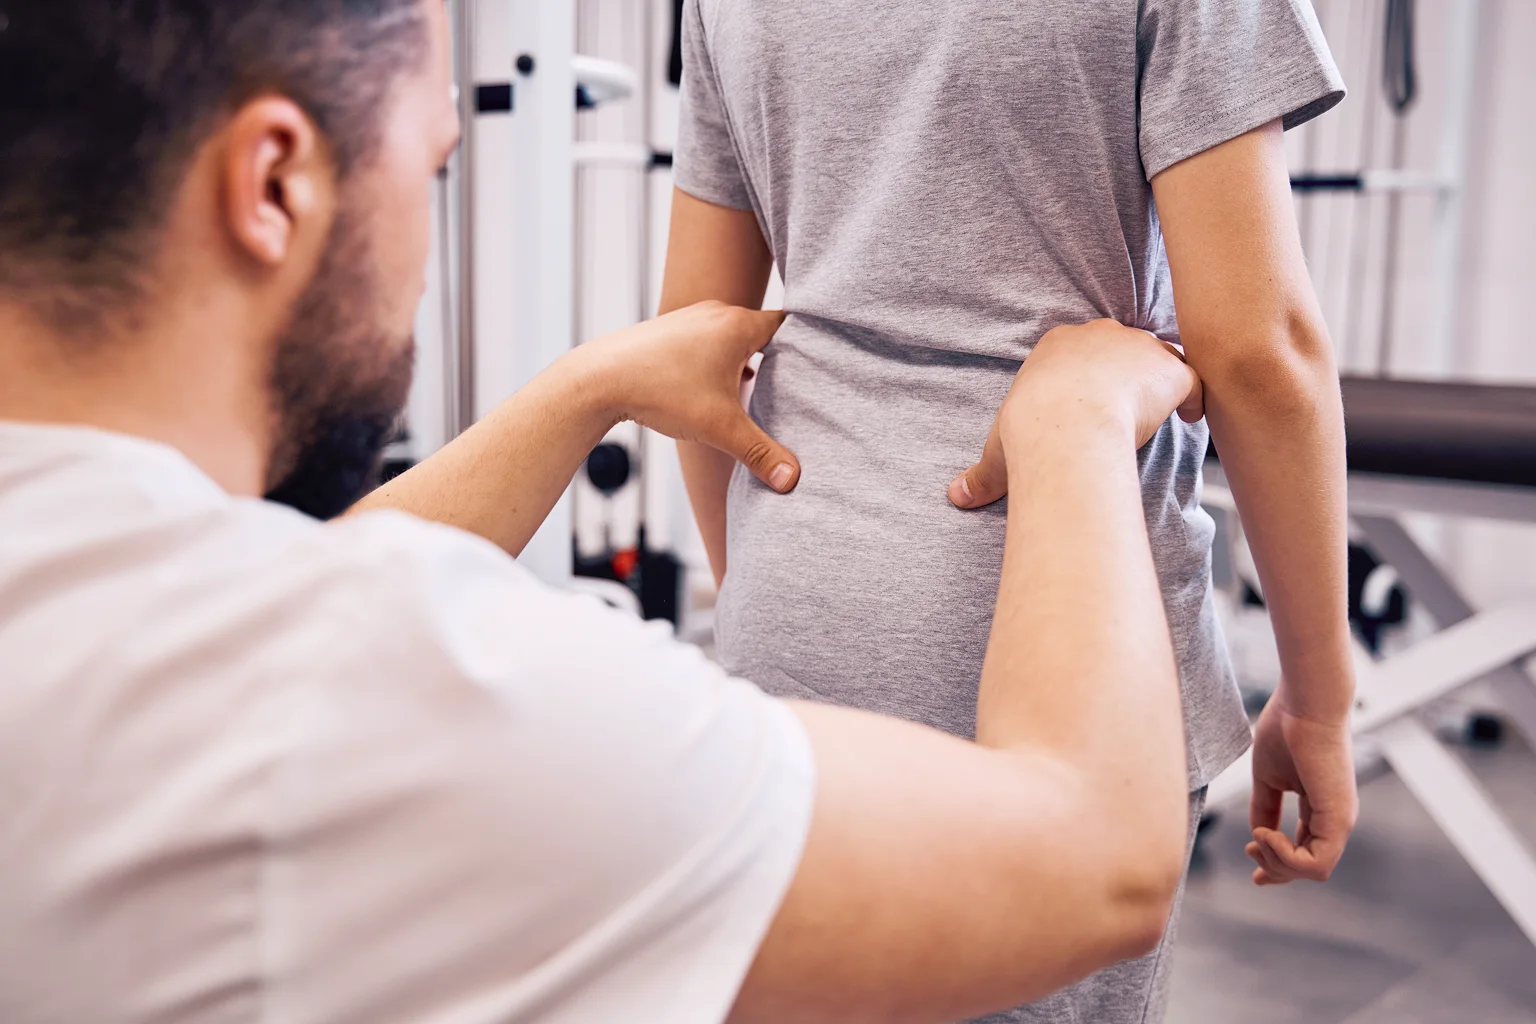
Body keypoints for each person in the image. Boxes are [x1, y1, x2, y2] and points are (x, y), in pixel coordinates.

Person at [1, 2, 1210, 1022]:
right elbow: (1098, 864)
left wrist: (590, 384)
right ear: (274, 183)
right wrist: (1079, 426)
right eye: (432, 168)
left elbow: (250, 610)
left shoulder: (117, 612)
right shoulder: (388, 699)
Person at [665, 2, 1361, 1019]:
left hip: (795, 587)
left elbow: (694, 341)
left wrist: (773, 588)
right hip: (1068, 626)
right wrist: (1318, 697)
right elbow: (1261, 350)